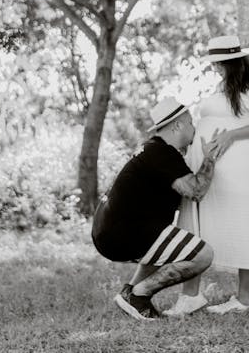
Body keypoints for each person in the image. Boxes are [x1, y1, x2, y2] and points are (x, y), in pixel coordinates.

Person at [165, 35, 249, 317]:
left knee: (243, 221)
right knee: (194, 222)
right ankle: (190, 296)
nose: (215, 67)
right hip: (205, 160)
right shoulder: (220, 84)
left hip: (240, 162)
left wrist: (230, 135)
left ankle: (243, 300)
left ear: (232, 61)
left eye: (219, 62)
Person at [91, 95, 224, 321]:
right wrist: (209, 158)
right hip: (122, 232)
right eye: (190, 123)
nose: (193, 128)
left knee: (163, 243)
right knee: (202, 255)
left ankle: (129, 293)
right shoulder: (163, 153)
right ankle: (139, 295)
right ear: (177, 125)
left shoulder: (153, 150)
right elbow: (196, 191)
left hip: (110, 230)